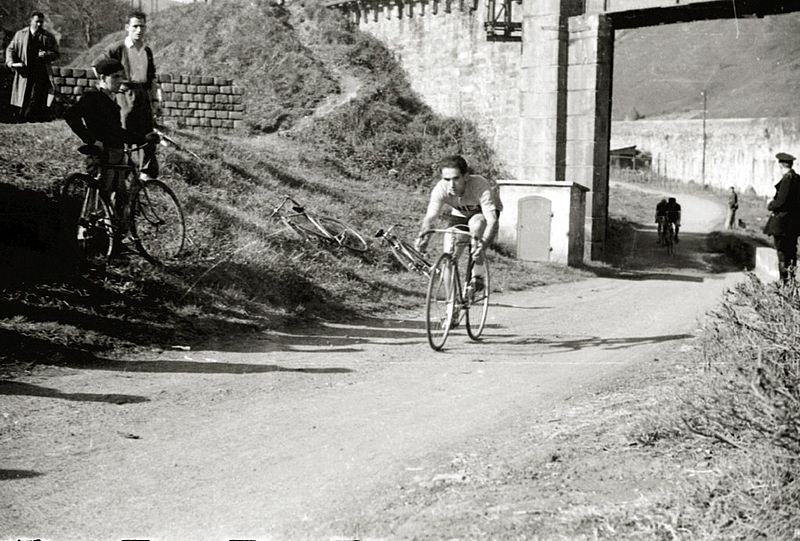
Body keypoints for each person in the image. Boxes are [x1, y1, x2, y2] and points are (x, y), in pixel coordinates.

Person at [64, 57, 155, 253]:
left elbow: (116, 132)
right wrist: (91, 140)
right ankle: (91, 242)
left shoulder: (112, 99)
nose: (120, 81)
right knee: (99, 199)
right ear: (103, 78)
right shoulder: (92, 98)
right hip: (102, 154)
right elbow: (70, 116)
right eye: (115, 77)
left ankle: (114, 243)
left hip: (117, 152)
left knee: (118, 197)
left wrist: (141, 138)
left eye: (122, 77)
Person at [414, 155, 500, 297]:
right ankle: (451, 303)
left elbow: (492, 221)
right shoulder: (440, 189)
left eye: (456, 179)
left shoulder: (479, 184)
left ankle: (477, 274)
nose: (451, 185)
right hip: (460, 213)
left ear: (465, 176)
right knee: (449, 252)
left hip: (482, 213)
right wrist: (423, 237)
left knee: (477, 226)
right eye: (447, 179)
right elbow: (430, 217)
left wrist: (482, 246)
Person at [94, 11, 161, 181]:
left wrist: (155, 100)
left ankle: (145, 175)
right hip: (125, 95)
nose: (139, 30)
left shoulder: (147, 51)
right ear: (127, 28)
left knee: (147, 133)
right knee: (124, 131)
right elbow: (97, 65)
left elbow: (152, 77)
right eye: (135, 26)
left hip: (143, 95)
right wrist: (112, 86)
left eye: (142, 26)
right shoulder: (117, 48)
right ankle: (123, 170)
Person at [5, 11, 59, 122]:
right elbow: (10, 49)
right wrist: (11, 63)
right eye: (37, 21)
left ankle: (30, 118)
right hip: (24, 72)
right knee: (22, 95)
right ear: (31, 21)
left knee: (35, 96)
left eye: (41, 22)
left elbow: (56, 54)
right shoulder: (20, 34)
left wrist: (46, 54)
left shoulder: (48, 37)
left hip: (40, 72)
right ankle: (21, 118)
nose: (39, 24)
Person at [765, 152, 800, 283]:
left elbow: (781, 202)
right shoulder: (797, 178)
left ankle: (783, 282)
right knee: (791, 253)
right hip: (794, 223)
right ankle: (791, 282)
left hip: (783, 223)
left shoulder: (787, 179)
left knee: (782, 254)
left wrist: (770, 204)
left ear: (780, 165)